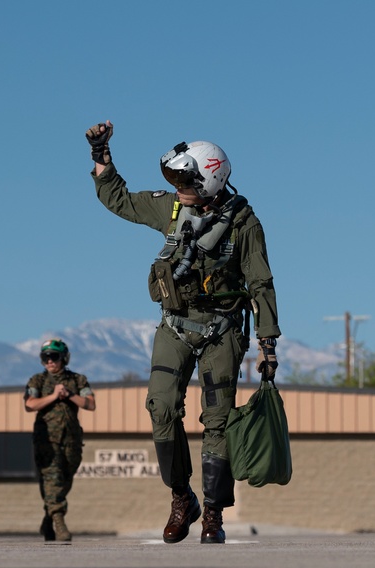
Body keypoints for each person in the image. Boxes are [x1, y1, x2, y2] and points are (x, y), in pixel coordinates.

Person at [86, 121, 281, 544]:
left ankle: (213, 514)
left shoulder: (244, 223)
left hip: (221, 330)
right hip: (174, 325)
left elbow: (261, 283)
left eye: (184, 180)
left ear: (209, 180)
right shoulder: (170, 208)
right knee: (160, 407)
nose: (177, 187)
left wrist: (268, 344)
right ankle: (182, 498)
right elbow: (117, 198)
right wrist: (101, 154)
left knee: (217, 421)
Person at [24, 339, 96, 542]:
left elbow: (90, 404)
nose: (50, 361)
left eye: (53, 357)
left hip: (71, 440)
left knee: (64, 480)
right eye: (45, 358)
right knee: (52, 479)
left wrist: (70, 395)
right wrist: (54, 396)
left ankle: (48, 519)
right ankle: (59, 522)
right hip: (47, 440)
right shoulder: (37, 381)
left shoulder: (77, 380)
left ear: (63, 358)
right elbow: (30, 404)